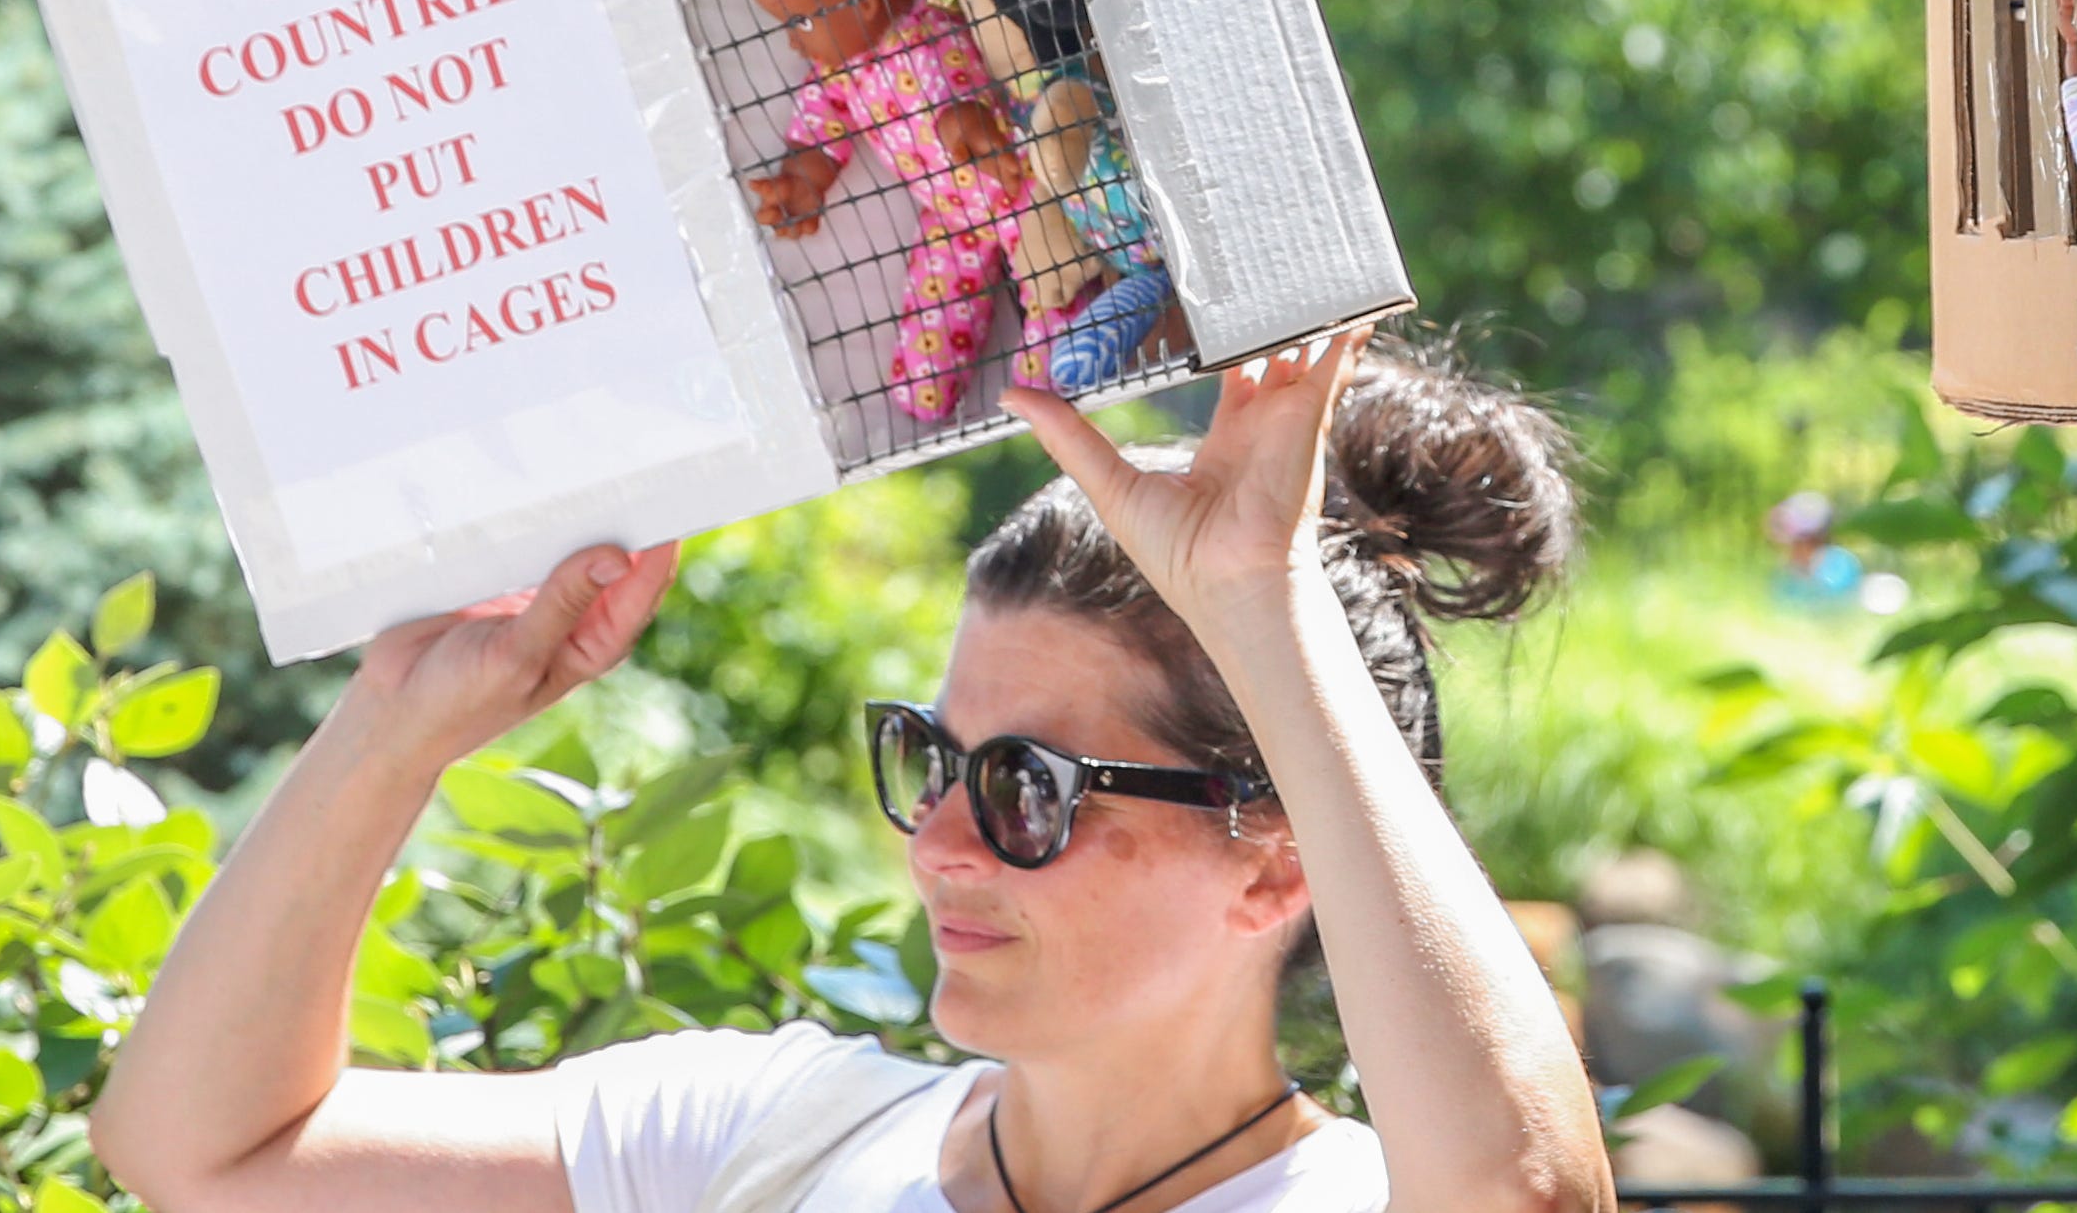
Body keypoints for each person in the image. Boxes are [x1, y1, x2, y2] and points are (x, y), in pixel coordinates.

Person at [89, 335, 1610, 1213]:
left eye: (1027, 786)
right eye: (931, 756)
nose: (941, 838)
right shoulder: (772, 1133)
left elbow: (1530, 1189)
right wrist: (397, 719)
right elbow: (199, 1144)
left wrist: (1257, 603)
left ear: (1273, 858)